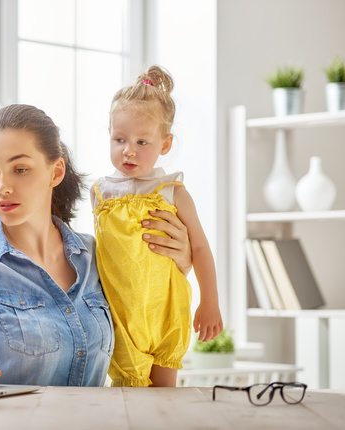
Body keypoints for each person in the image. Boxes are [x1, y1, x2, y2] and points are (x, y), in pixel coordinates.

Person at [0, 104, 193, 386]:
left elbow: (148, 322)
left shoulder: (95, 259)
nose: (2, 186)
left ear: (56, 172)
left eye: (20, 169)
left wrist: (179, 267)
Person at [91, 65, 222, 388]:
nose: (128, 150)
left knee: (165, 402)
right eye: (119, 139)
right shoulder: (100, 194)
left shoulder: (172, 192)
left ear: (165, 145)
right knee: (128, 398)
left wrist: (210, 303)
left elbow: (201, 248)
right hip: (122, 318)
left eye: (142, 142)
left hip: (166, 312)